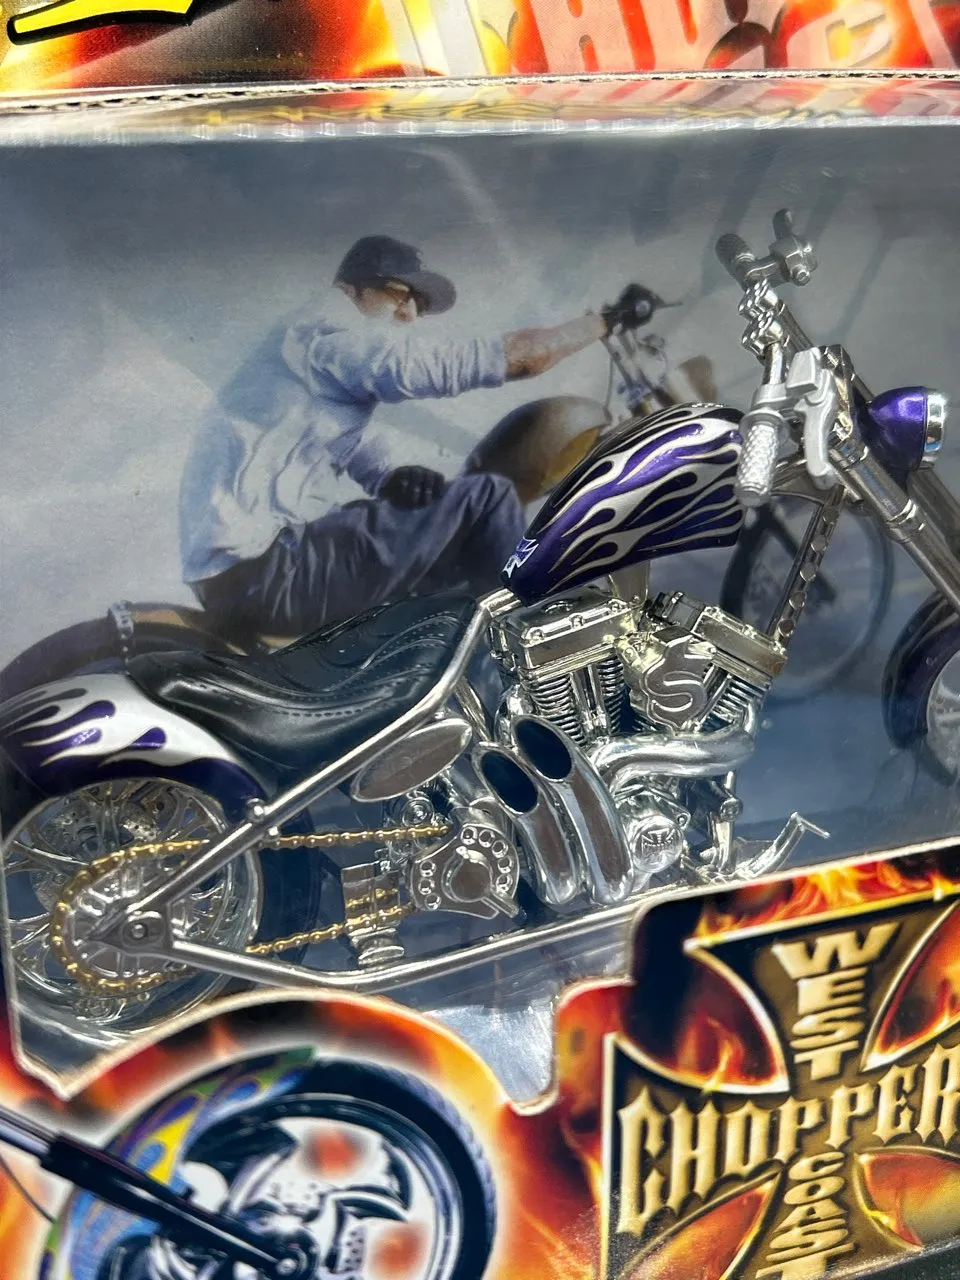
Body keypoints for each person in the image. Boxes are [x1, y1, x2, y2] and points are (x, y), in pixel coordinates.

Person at [179, 234, 647, 638]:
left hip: (245, 574)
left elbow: (333, 436)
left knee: (434, 548)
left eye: (418, 306)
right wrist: (603, 322)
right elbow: (514, 359)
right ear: (351, 288)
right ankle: (540, 640)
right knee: (487, 497)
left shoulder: (304, 351)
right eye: (399, 293)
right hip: (266, 573)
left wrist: (388, 476)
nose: (408, 314)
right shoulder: (328, 328)